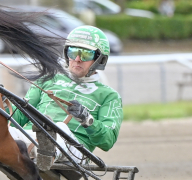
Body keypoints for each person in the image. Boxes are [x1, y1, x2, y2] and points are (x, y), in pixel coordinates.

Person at [11, 25, 123, 157]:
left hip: (74, 148)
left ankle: (45, 150)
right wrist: (1, 104)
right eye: (73, 52)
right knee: (4, 131)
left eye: (86, 54)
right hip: (32, 136)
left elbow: (107, 141)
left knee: (60, 129)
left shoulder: (109, 96)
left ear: (99, 59)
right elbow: (19, 116)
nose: (77, 59)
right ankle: (37, 150)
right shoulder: (47, 80)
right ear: (66, 53)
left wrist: (87, 119)